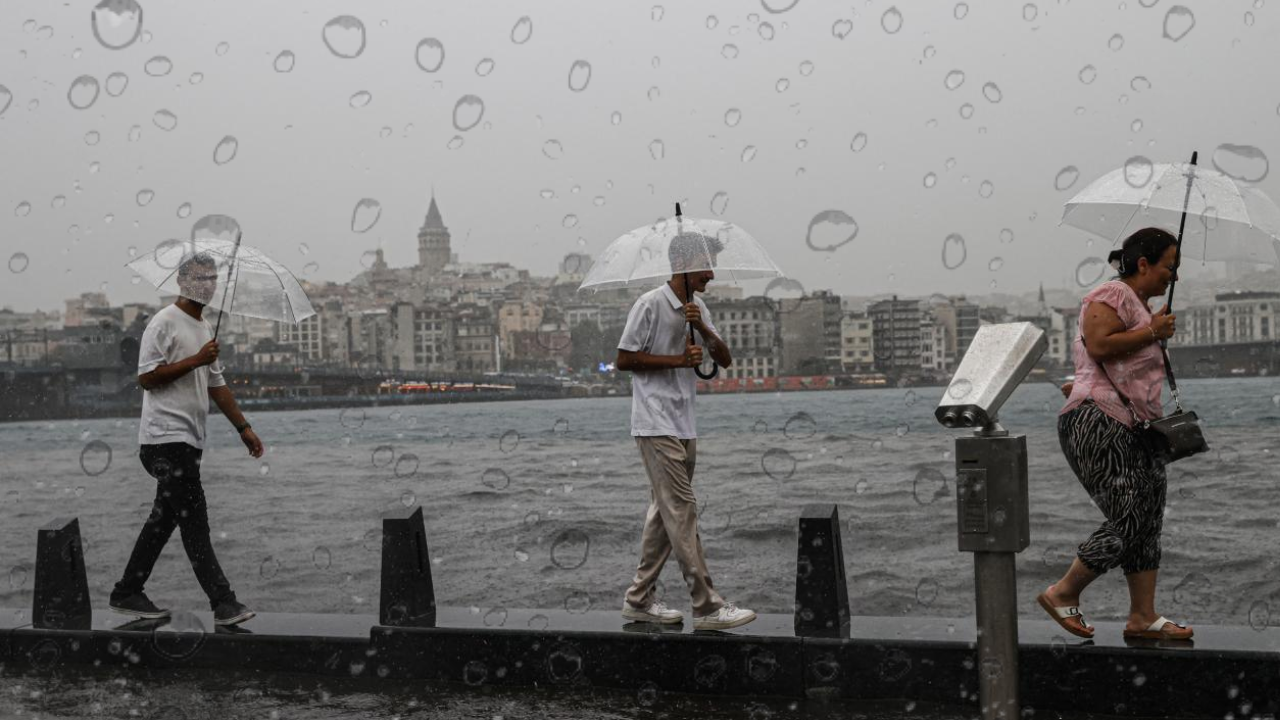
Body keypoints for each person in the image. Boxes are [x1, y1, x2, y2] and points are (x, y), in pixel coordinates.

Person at [1038, 227, 1193, 642]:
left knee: (1149, 519)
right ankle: (1063, 592)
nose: (1172, 277)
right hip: (1099, 420)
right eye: (1169, 267)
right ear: (1143, 264)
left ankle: (1143, 616)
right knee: (1130, 515)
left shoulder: (1141, 306)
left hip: (1138, 428)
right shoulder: (1113, 294)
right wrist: (1153, 333)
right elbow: (1100, 344)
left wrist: (1151, 329)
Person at [109, 252, 263, 627]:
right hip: (163, 440)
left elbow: (217, 385)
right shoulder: (163, 322)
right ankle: (223, 603)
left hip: (188, 442)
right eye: (199, 278)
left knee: (164, 520)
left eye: (211, 279)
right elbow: (146, 378)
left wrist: (243, 427)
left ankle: (128, 590)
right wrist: (196, 359)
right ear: (181, 281)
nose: (207, 285)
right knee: (196, 523)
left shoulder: (206, 327)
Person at [615, 231, 757, 631]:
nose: (711, 272)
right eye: (706, 263)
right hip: (654, 421)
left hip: (683, 422)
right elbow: (624, 359)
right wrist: (678, 360)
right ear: (685, 263)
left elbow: (725, 361)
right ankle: (707, 605)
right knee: (683, 509)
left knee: (665, 512)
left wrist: (706, 331)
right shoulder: (650, 304)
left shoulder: (699, 307)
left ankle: (639, 599)